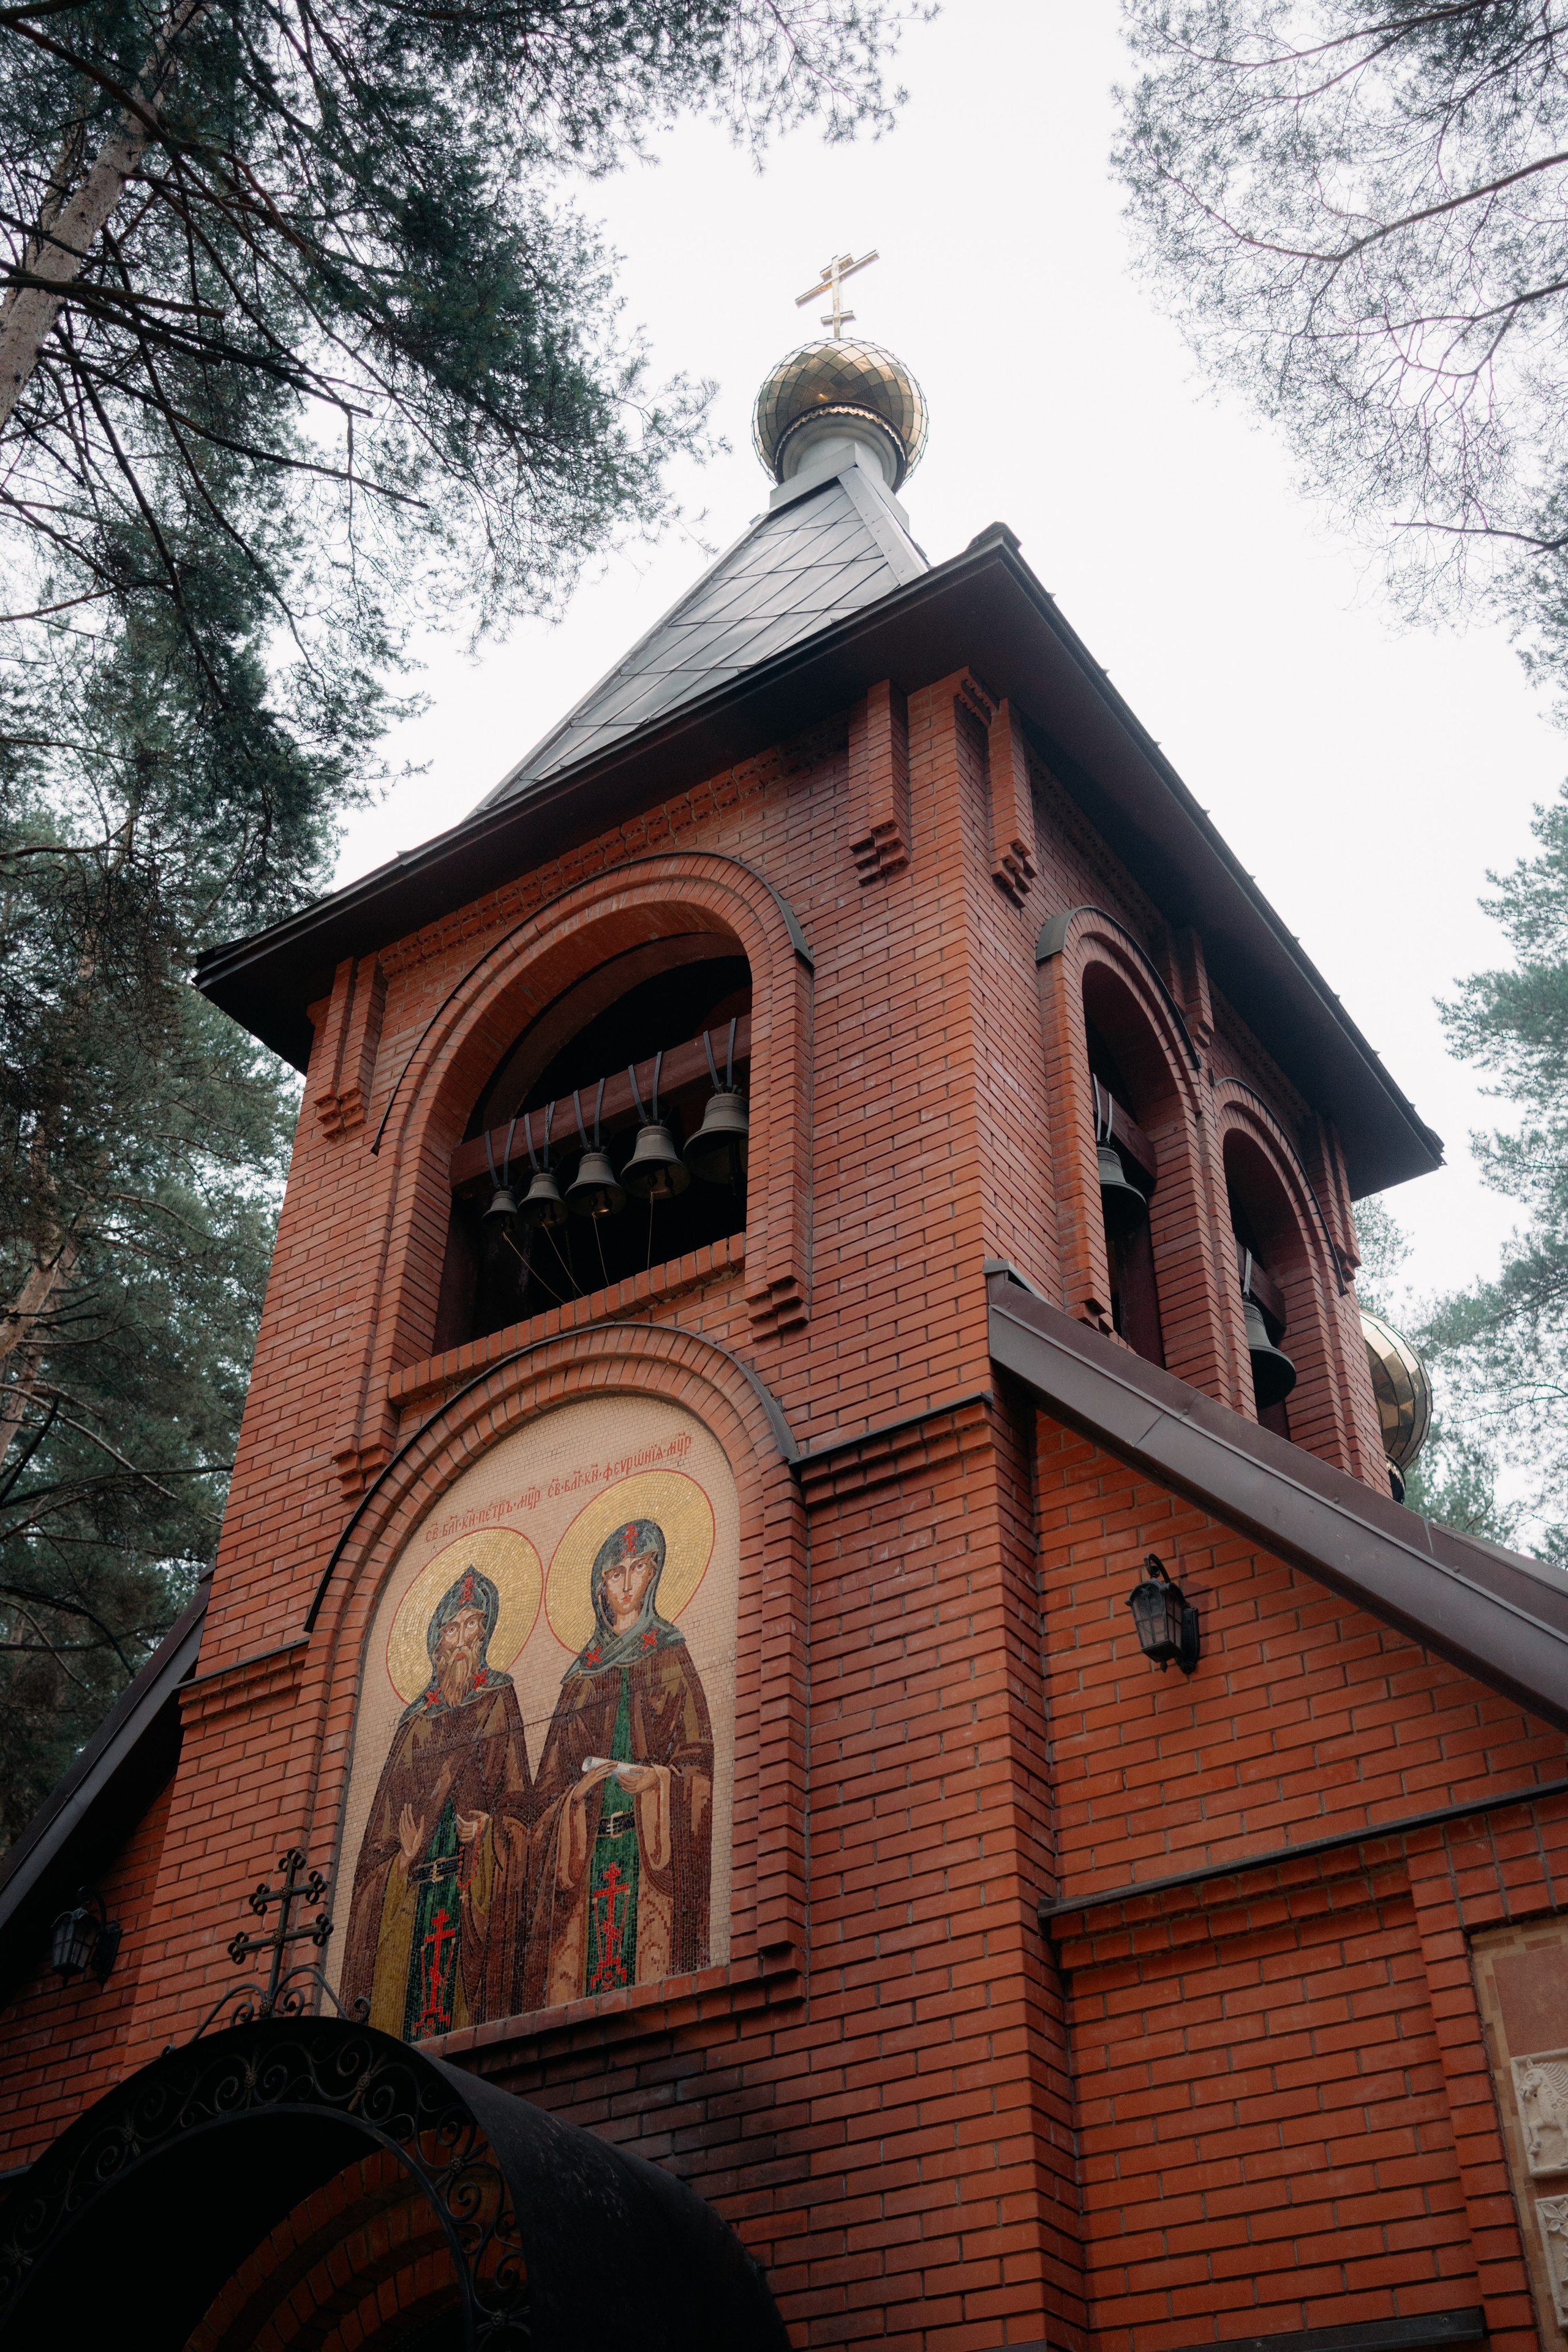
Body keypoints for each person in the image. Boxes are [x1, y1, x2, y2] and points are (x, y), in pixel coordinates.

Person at [524, 1519, 713, 2009]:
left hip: (651, 1859)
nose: (627, 1585)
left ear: (655, 1574)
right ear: (599, 1586)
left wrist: (658, 1779)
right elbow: (543, 1794)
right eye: (615, 1574)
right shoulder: (578, 1679)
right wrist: (576, 1796)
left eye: (639, 1568)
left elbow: (699, 1763)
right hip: (587, 1859)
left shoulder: (671, 1655)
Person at [342, 1564, 530, 2038]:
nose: (462, 1639)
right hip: (411, 1902)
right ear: (436, 1643)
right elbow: (376, 1848)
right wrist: (400, 1862)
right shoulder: (413, 1724)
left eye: (473, 1624)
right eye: (452, 1628)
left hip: (470, 1895)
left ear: (487, 1632)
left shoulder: (499, 1698)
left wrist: (489, 1829)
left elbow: (520, 1804)